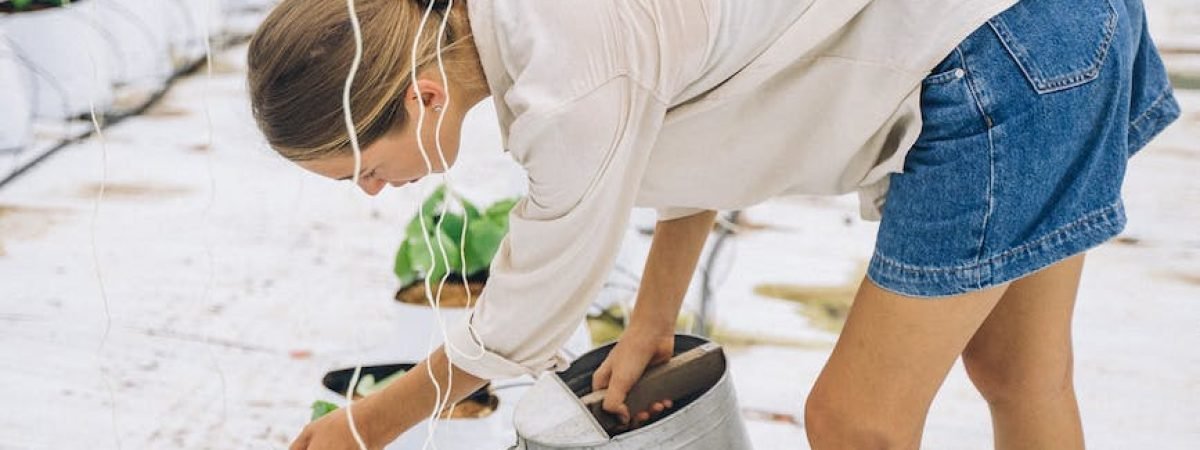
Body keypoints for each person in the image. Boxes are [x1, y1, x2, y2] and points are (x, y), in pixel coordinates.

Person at [248, 0, 1179, 448]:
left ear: (418, 96)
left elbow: (523, 320)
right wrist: (654, 317)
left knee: (855, 422)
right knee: (1021, 372)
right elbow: (695, 116)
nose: (377, 192)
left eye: (364, 171)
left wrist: (365, 426)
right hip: (1057, 27)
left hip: (1000, 61)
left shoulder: (567, 84)